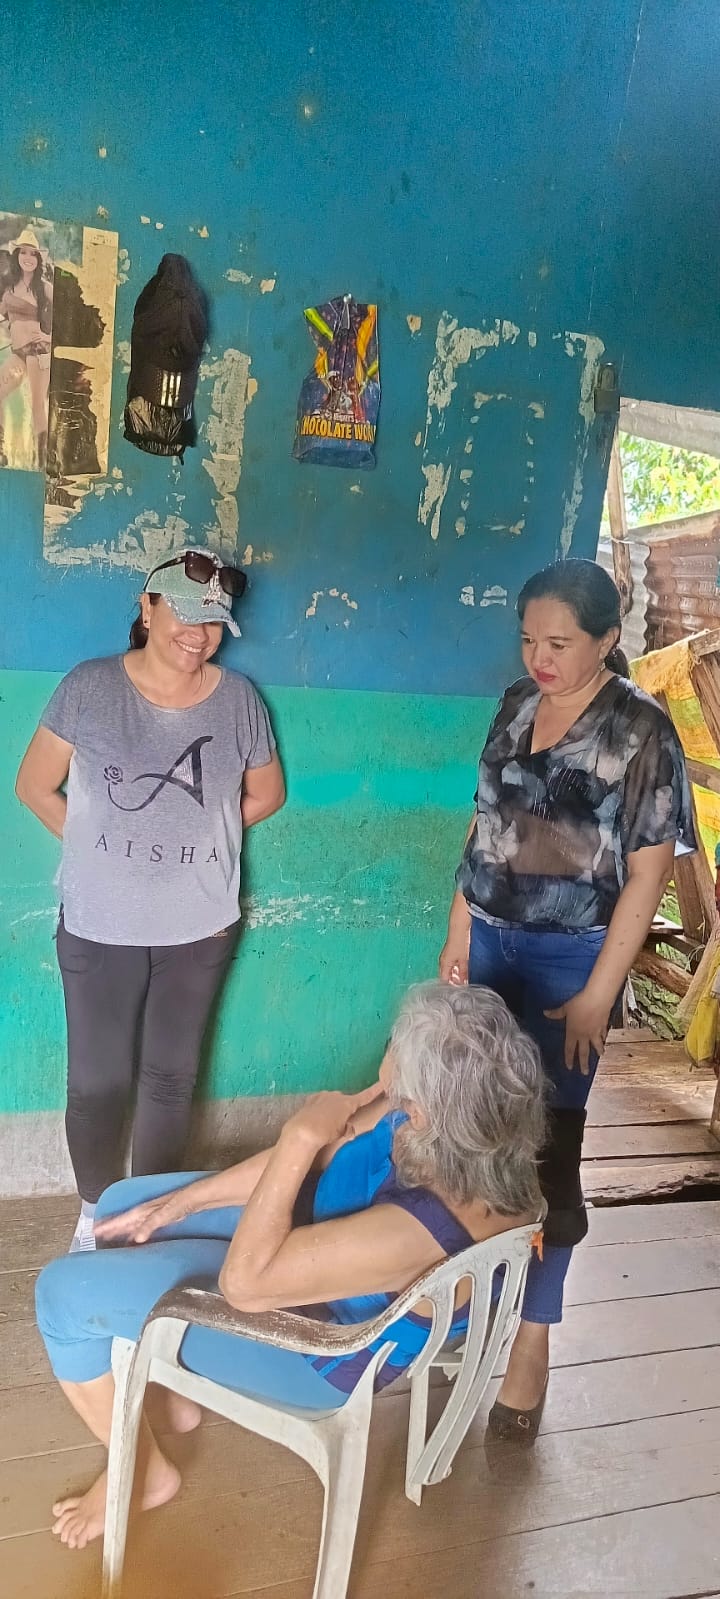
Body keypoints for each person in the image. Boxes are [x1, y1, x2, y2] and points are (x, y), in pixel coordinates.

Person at [34, 980, 546, 1551]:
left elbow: (245, 1284)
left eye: (396, 1075)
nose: (385, 1080)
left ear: (422, 1112)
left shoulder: (417, 1231)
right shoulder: (474, 1128)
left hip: (317, 1349)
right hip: (321, 1248)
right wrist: (183, 1203)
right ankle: (171, 1394)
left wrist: (298, 1135)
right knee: (125, 1208)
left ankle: (146, 1470)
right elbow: (333, 1149)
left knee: (61, 1295)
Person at [439, 558, 696, 1442]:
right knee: (471, 1128)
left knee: (549, 1151)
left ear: (607, 639)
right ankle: (471, 1297)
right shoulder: (517, 702)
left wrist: (599, 995)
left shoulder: (640, 726)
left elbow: (650, 874)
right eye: (528, 639)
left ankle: (533, 1338)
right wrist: (459, 927)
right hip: (491, 940)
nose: (539, 658)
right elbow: (484, 825)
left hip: (569, 962)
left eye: (559, 642)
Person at [16, 547, 285, 1252]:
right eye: (185, 616)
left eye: (213, 623)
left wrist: (194, 835)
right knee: (96, 1082)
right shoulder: (90, 686)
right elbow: (34, 785)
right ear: (147, 607)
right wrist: (102, 842)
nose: (198, 636)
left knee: (170, 1079)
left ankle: (146, 1218)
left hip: (200, 927)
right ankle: (94, 1214)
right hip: (99, 923)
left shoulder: (239, 700)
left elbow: (266, 793)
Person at [0, 226, 54, 470]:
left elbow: (68, 318)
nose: (28, 258)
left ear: (39, 259)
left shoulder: (45, 288)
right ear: (17, 255)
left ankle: (42, 460)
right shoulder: (10, 287)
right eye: (24, 252)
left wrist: (49, 336)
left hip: (37, 351)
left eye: (33, 254)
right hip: (18, 353)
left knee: (36, 404)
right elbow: (3, 316)